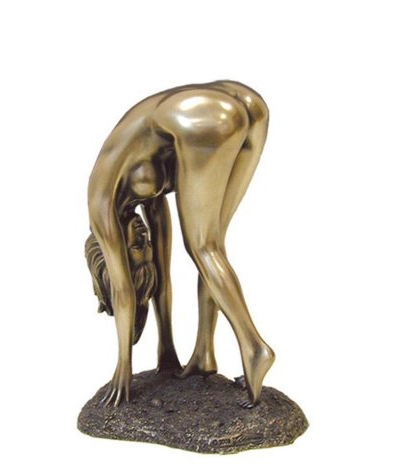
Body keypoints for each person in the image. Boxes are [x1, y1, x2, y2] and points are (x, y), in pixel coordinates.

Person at [86, 80, 275, 408]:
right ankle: (204, 352)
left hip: (203, 117)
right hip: (241, 107)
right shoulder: (142, 197)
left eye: (136, 248)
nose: (143, 239)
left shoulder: (101, 204)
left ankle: (254, 347)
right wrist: (167, 350)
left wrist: (123, 367)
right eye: (143, 247)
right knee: (211, 248)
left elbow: (122, 289)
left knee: (203, 248)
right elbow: (163, 271)